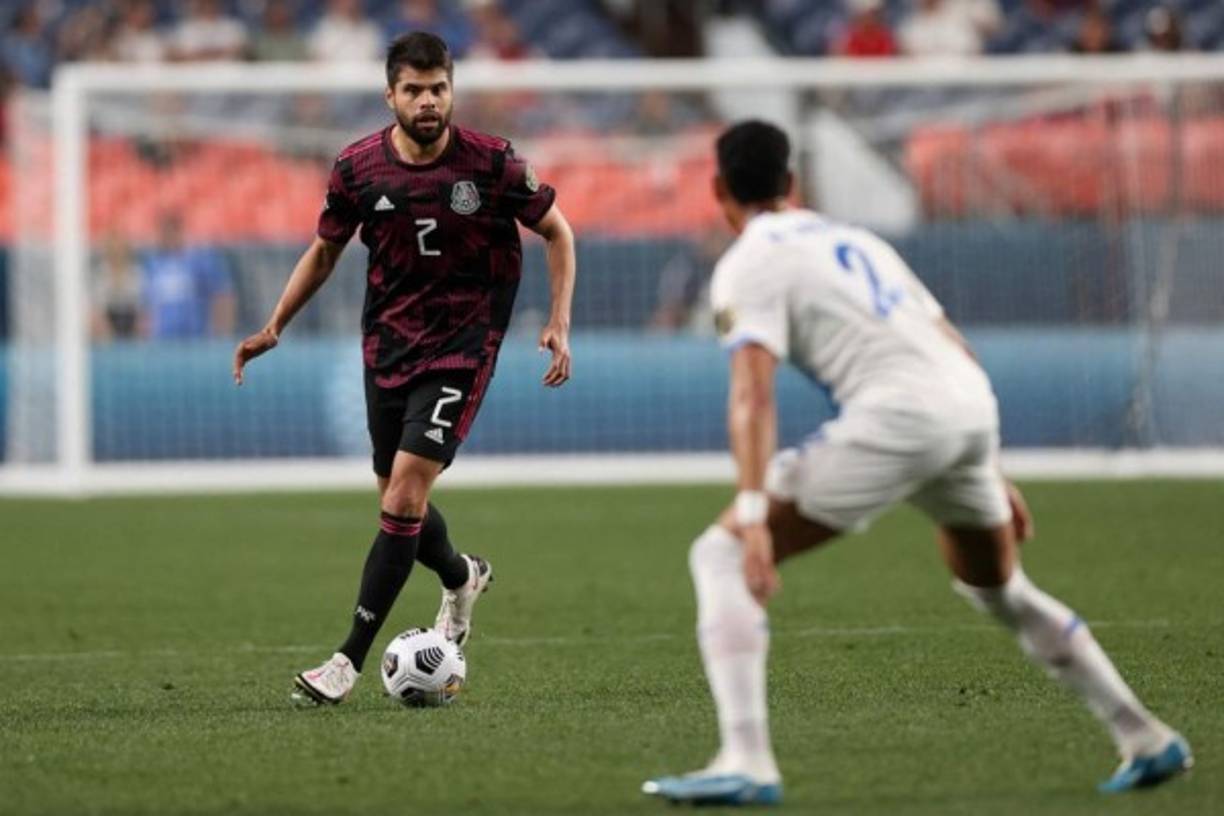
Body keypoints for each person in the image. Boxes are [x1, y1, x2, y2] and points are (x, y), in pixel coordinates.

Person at [642, 121, 1192, 806]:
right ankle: (1144, 736)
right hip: (967, 408)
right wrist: (988, 465)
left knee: (719, 556)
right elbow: (949, 342)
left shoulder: (748, 261)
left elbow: (752, 394)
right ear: (793, 184)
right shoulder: (854, 239)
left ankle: (747, 759)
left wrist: (754, 517)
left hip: (899, 418)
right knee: (1001, 589)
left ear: (718, 189)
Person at [232, 31, 576, 706]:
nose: (427, 101)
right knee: (397, 500)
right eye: (413, 90)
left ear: (452, 89)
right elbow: (325, 252)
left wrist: (559, 320)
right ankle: (460, 574)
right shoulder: (358, 169)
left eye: (438, 88)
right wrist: (275, 324)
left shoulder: (494, 164)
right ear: (390, 94)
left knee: (404, 497)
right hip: (386, 347)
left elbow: (558, 230)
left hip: (464, 344)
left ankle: (345, 662)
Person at [141, 213, 235, 340]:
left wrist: (221, 331)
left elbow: (222, 295)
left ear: (179, 232)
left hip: (194, 338)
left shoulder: (198, 260)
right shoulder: (153, 265)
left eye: (171, 232)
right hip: (162, 339)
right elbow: (147, 304)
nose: (167, 237)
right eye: (163, 233)